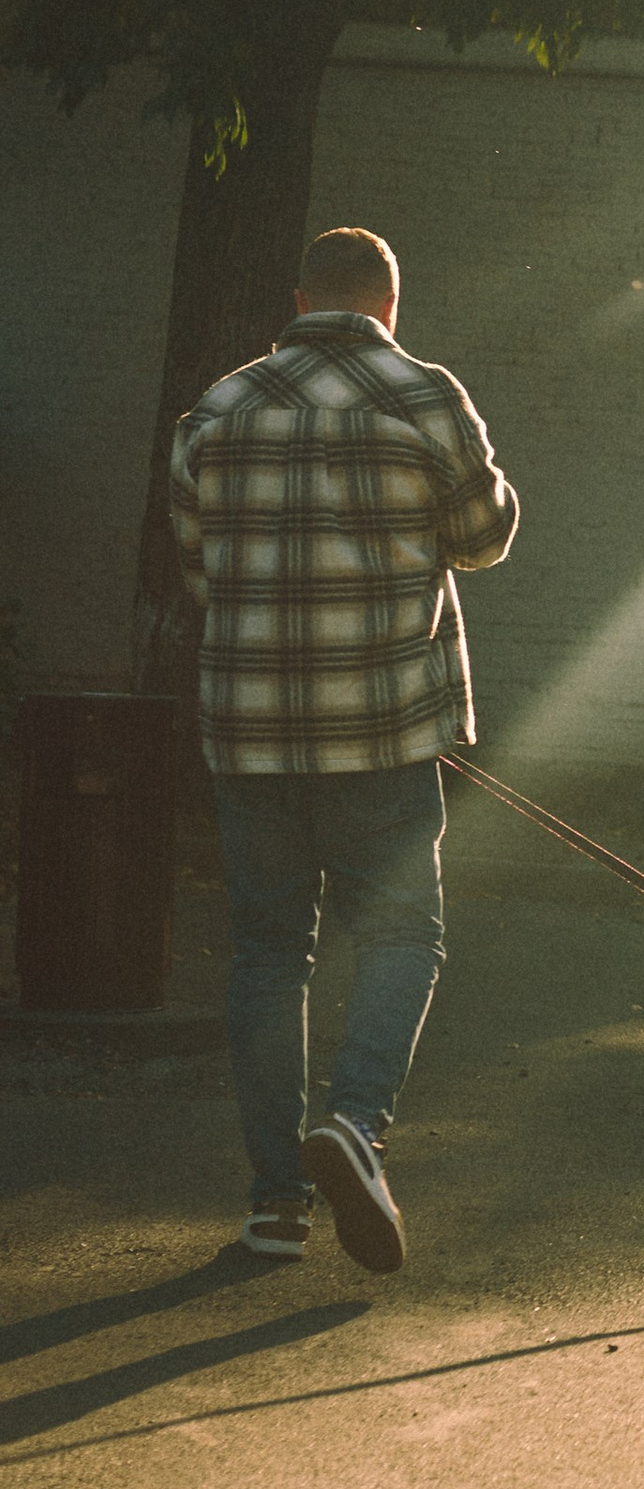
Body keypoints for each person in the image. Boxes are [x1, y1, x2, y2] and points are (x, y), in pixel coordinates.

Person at [170, 225, 520, 1272]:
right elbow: (482, 537)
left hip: (251, 734)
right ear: (387, 305)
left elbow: (199, 568)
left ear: (300, 296)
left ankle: (275, 1206)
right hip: (380, 730)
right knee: (404, 934)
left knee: (270, 955)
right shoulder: (422, 394)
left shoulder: (217, 411)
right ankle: (356, 1127)